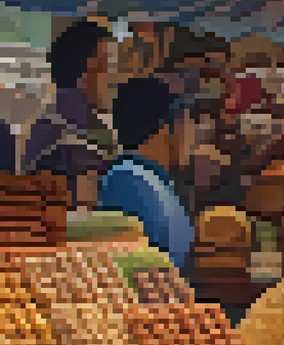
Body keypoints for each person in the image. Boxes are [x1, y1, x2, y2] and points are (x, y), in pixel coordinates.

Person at [98, 77, 195, 272]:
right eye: (190, 124)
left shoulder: (147, 179)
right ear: (167, 127)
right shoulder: (131, 182)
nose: (193, 138)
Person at [23, 21, 118, 209]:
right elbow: (87, 211)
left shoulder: (45, 120)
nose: (114, 80)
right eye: (110, 66)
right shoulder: (86, 129)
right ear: (92, 67)